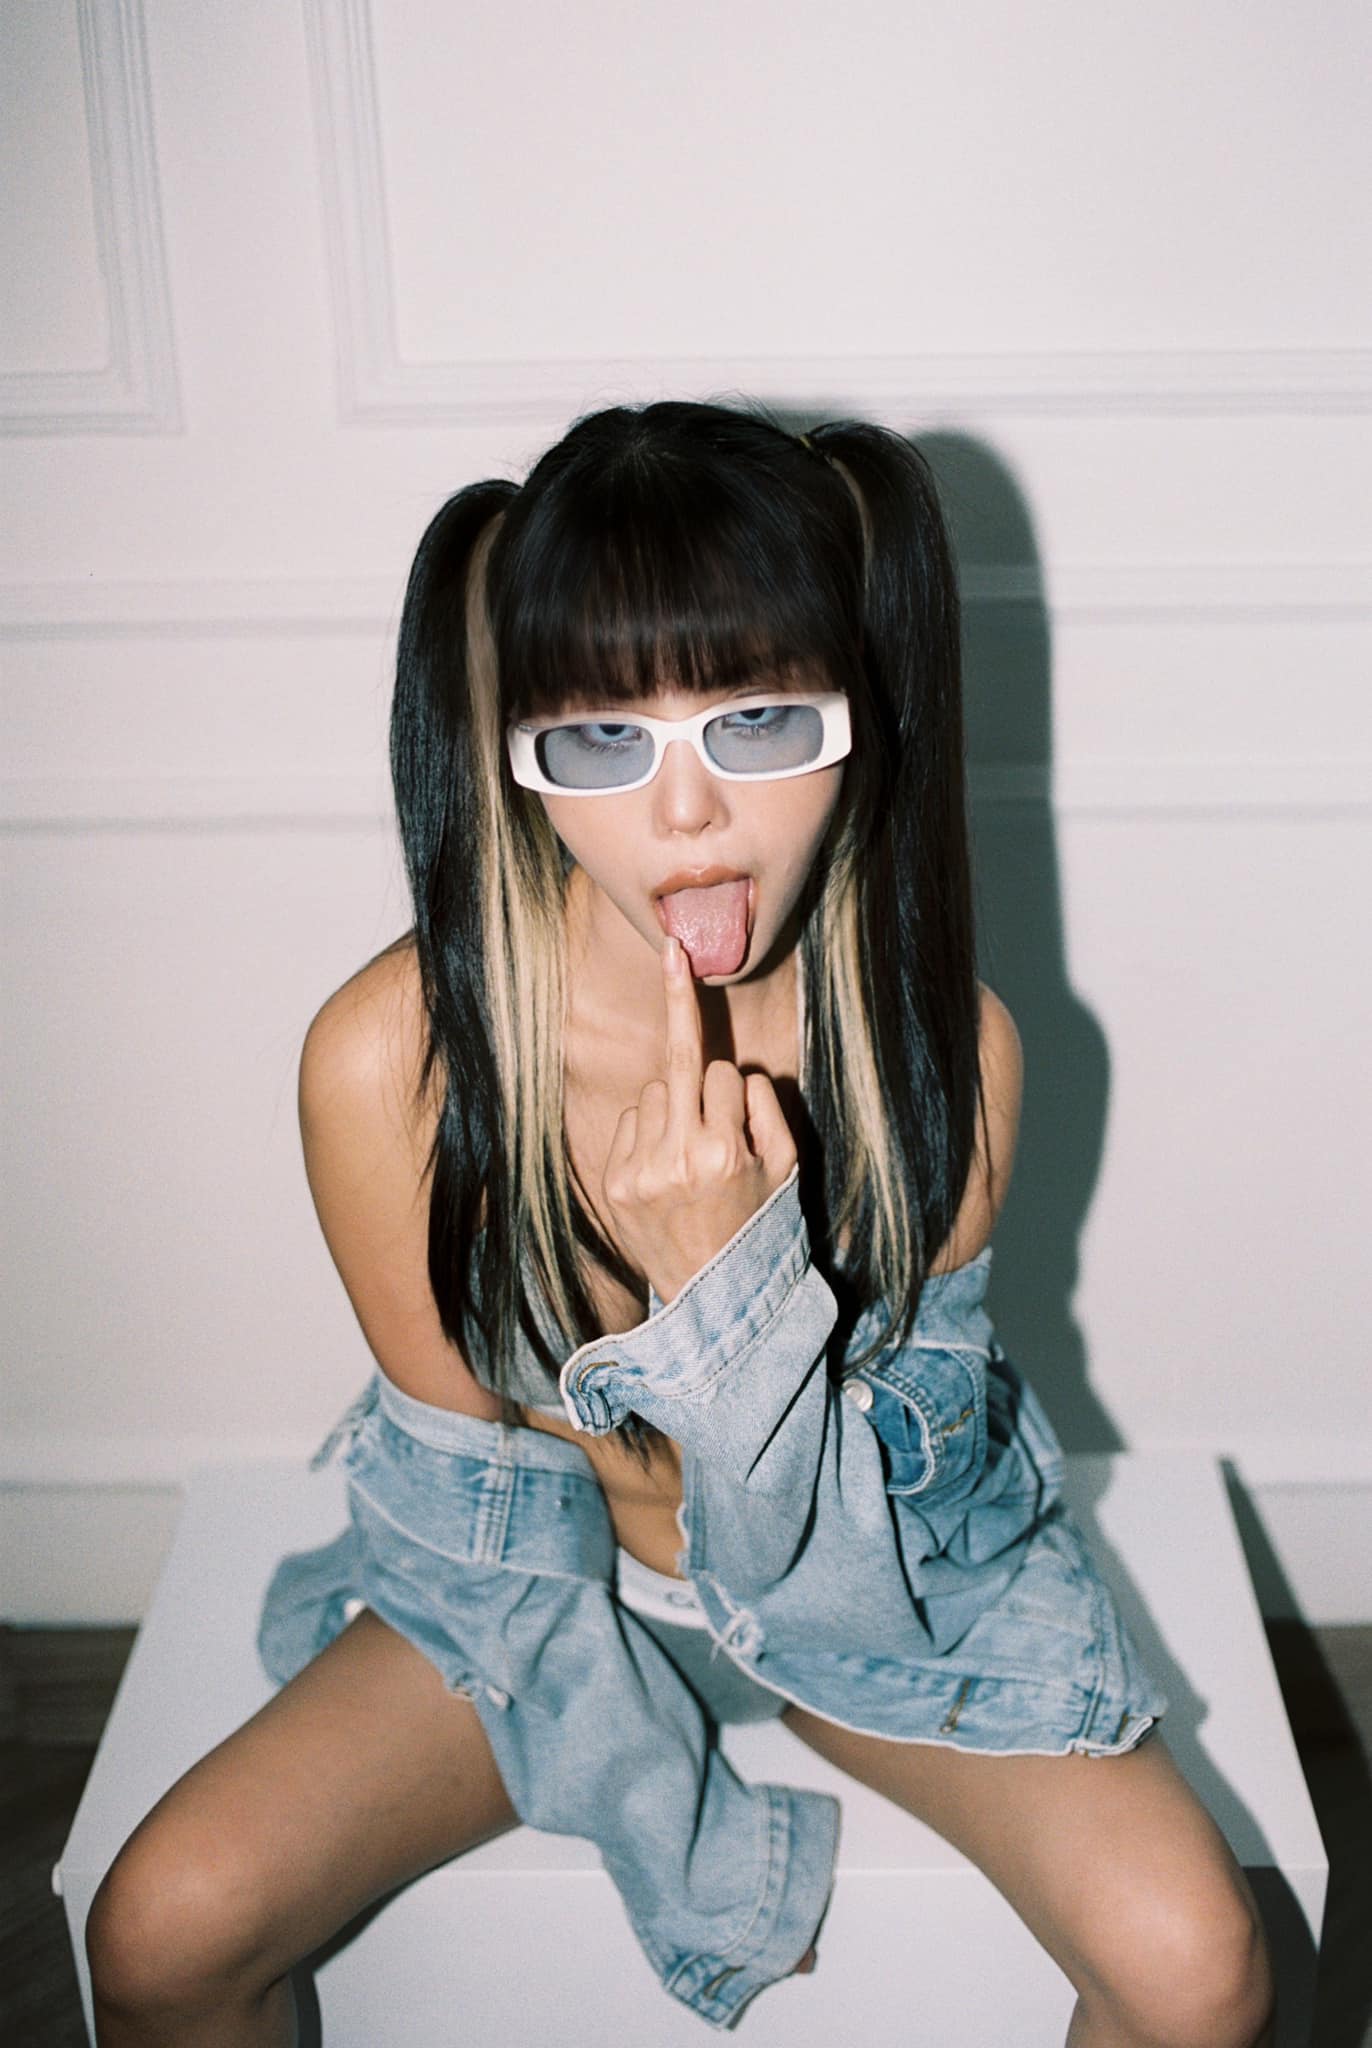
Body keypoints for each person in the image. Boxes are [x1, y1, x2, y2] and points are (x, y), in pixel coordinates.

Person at [85, 401, 1276, 2045]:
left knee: (1201, 1968)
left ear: (865, 711)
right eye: (599, 740)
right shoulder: (389, 1066)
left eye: (760, 721)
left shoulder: (944, 1057)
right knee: (158, 1930)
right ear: (513, 745)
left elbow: (869, 1563)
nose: (687, 815)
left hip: (878, 1593)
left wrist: (731, 1303)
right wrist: (658, 1801)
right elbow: (471, 1521)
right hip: (546, 1590)